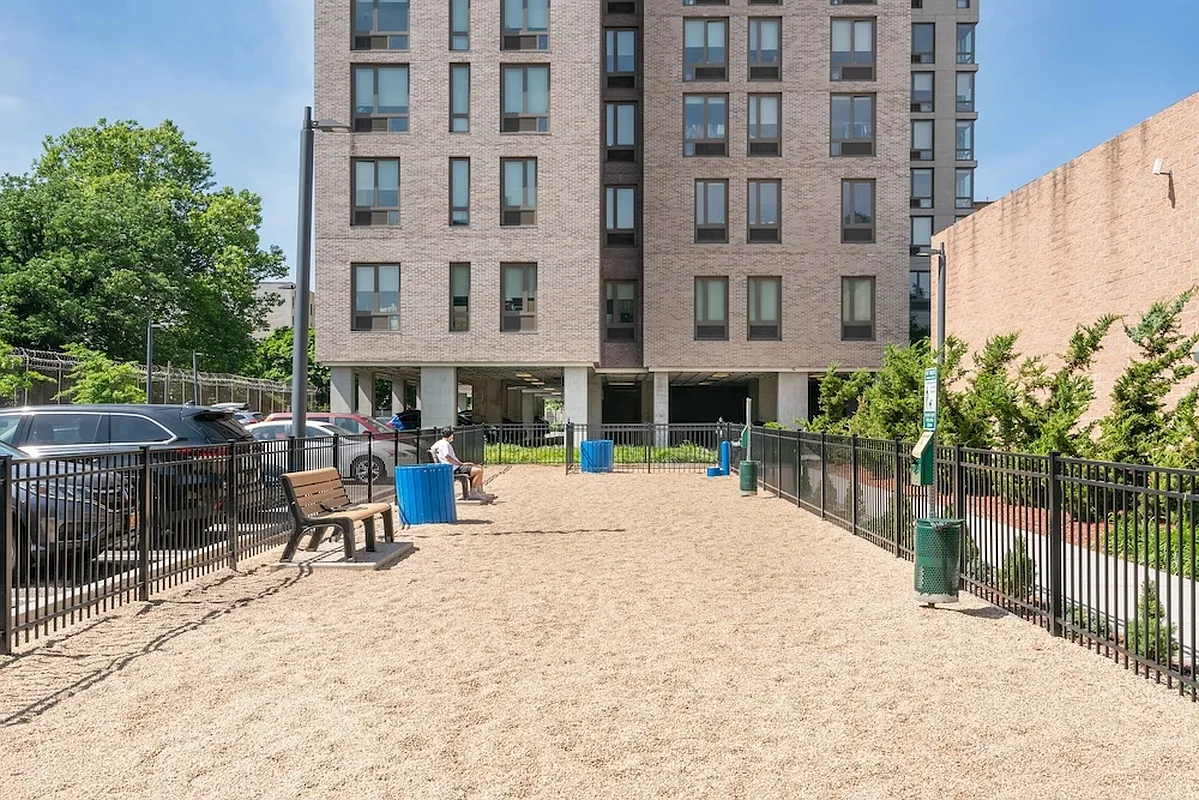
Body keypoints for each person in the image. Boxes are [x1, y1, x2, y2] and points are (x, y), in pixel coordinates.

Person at [430, 427, 495, 502]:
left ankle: (479, 491)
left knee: (477, 466)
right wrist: (461, 464)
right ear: (451, 435)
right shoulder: (445, 444)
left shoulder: (437, 443)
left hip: (448, 467)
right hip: (453, 468)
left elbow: (434, 451)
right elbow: (447, 457)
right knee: (479, 470)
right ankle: (474, 492)